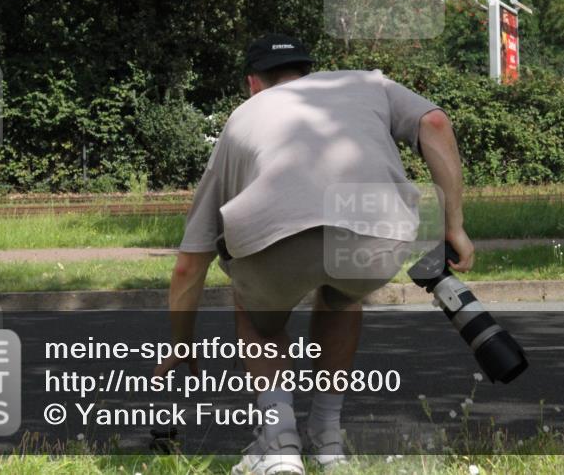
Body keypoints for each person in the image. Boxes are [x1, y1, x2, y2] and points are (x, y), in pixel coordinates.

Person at [158, 33, 475, 475]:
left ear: (253, 82)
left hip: (273, 243)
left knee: (255, 311)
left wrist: (180, 342)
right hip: (377, 231)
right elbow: (436, 124)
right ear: (309, 71)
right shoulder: (368, 82)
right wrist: (454, 225)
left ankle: (281, 445)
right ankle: (327, 440)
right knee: (341, 296)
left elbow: (190, 262)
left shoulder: (241, 118)